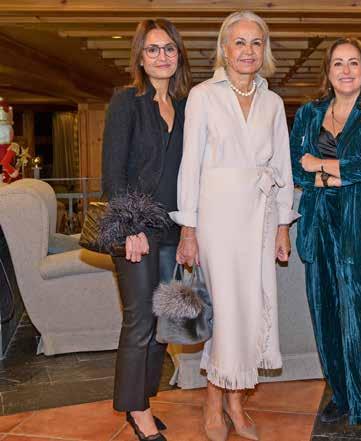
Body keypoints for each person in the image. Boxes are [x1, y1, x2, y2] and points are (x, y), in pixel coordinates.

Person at [172, 11, 297, 441]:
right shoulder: (203, 96)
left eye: (256, 43)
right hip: (216, 218)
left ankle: (236, 400)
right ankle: (214, 399)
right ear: (224, 49)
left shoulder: (273, 102)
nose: (248, 50)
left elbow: (283, 166)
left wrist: (283, 224)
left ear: (265, 51)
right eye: (239, 42)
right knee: (223, 310)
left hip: (260, 216)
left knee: (251, 308)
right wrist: (188, 229)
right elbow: (190, 166)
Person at [290, 37, 361, 433]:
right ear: (328, 71)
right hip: (319, 226)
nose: (347, 70)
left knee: (359, 316)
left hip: (358, 227)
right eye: (338, 63)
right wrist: (329, 175)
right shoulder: (309, 113)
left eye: (354, 62)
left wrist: (320, 166)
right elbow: (295, 167)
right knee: (325, 314)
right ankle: (341, 394)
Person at [102, 18, 191, 441]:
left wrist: (192, 228)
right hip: (137, 228)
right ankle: (135, 409)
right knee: (139, 320)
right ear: (140, 56)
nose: (162, 56)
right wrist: (129, 227)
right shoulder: (126, 102)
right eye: (153, 49)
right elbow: (112, 173)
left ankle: (143, 399)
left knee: (162, 322)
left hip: (173, 228)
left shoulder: (186, 106)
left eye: (169, 48)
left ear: (178, 55)